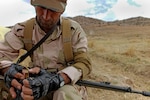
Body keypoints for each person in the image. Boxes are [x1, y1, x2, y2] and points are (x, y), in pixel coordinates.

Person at [0, 0, 92, 100]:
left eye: (52, 10)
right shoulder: (23, 29)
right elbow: (1, 55)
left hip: (64, 85)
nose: (45, 16)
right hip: (34, 86)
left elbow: (84, 63)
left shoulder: (72, 30)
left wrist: (57, 79)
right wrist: (9, 72)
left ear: (62, 11)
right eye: (42, 8)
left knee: (64, 93)